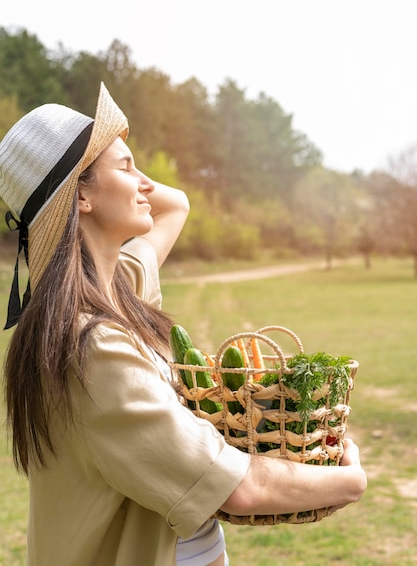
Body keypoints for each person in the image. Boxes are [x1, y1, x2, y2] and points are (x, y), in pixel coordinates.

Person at [0, 83, 367, 566]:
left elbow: (176, 204)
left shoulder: (119, 291)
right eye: (127, 167)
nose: (146, 183)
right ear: (81, 198)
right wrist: (350, 479)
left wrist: (115, 158)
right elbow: (240, 489)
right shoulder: (93, 347)